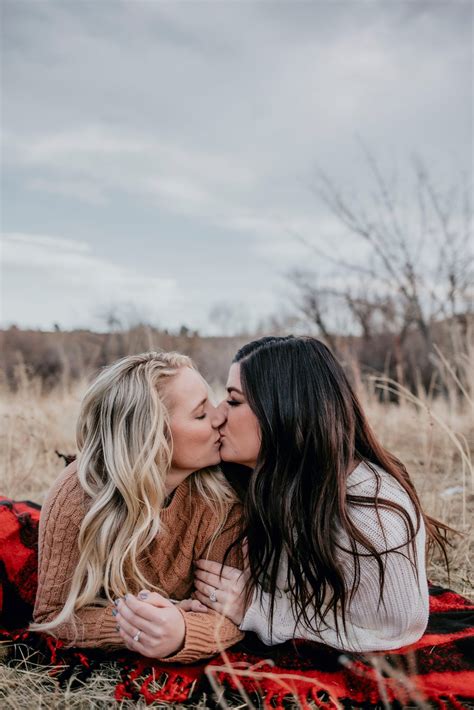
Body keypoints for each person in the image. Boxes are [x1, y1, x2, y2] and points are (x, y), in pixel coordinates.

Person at [194, 336, 450, 652]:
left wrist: (258, 609)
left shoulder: (373, 519)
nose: (218, 415)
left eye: (234, 401)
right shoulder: (276, 482)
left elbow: (398, 627)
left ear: (286, 410)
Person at [31, 351, 243, 663]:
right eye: (200, 415)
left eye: (211, 403)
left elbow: (230, 614)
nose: (219, 417)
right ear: (151, 438)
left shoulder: (223, 498)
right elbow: (53, 615)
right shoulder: (78, 495)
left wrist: (182, 632)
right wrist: (136, 627)